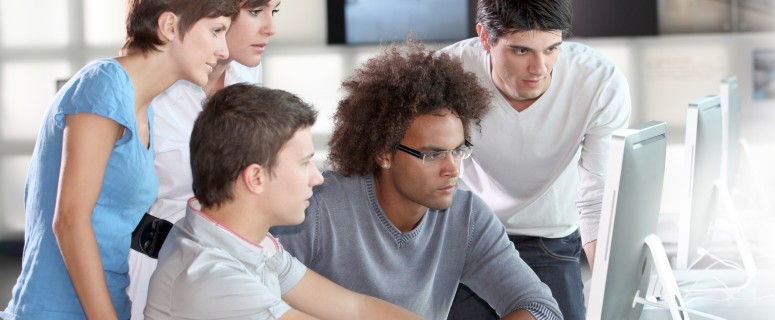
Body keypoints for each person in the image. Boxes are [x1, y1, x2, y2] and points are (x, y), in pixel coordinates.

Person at [271, 42, 562, 320]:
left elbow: (540, 307)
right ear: (384, 153)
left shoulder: (467, 217)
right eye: (433, 155)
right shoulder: (315, 208)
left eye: (458, 151)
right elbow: (258, 303)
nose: (452, 170)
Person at [2, 1, 238, 319]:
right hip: (55, 310)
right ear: (169, 26)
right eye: (216, 31)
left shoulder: (143, 107)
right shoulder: (104, 83)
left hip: (113, 304)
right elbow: (69, 221)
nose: (223, 50)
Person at [145, 83, 420, 320]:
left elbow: (355, 309)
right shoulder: (210, 278)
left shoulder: (249, 242)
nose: (317, 178)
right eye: (304, 163)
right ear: (256, 177)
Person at [437, 0, 632, 318]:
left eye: (552, 49)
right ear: (485, 38)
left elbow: (597, 200)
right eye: (521, 51)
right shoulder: (447, 73)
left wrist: (618, 300)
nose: (539, 68)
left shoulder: (599, 83)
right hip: (471, 236)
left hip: (550, 237)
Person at [127, 1, 281, 318]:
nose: (270, 27)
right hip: (150, 269)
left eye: (274, 11)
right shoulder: (150, 85)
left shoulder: (247, 76)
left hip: (228, 271)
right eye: (255, 12)